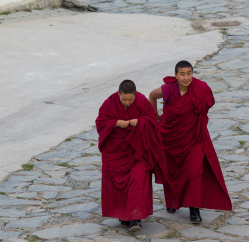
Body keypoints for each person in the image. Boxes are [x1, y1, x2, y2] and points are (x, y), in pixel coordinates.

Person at [149, 61, 232, 224]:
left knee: (194, 171)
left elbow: (206, 104)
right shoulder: (168, 89)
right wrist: (155, 116)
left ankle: (194, 208)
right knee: (172, 171)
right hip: (170, 137)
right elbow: (151, 96)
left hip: (194, 137)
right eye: (182, 74)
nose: (186, 77)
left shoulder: (200, 88)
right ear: (176, 75)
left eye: (189, 73)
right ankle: (173, 202)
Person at [96, 79, 167, 232]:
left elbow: (152, 121)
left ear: (135, 95)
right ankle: (123, 216)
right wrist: (114, 123)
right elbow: (100, 122)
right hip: (117, 151)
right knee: (119, 183)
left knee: (138, 181)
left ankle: (135, 219)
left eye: (130, 99)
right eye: (124, 99)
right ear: (118, 94)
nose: (127, 102)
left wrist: (140, 122)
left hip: (138, 151)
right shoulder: (109, 103)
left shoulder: (142, 101)